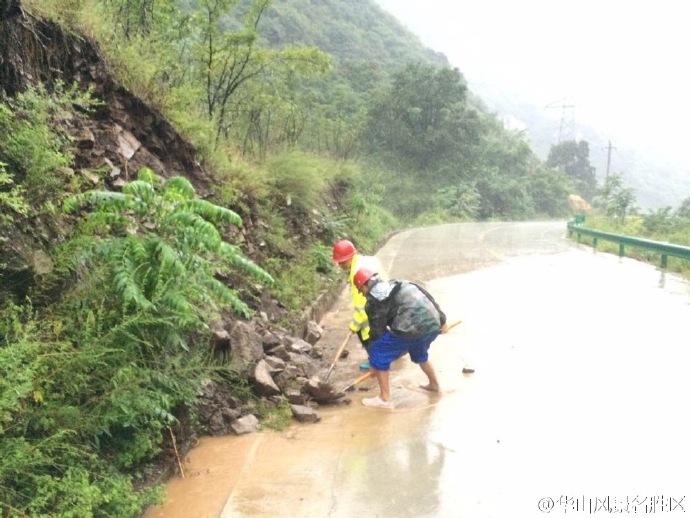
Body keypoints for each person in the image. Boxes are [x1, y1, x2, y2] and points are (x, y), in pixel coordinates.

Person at [353, 267, 448, 410]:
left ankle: (385, 400)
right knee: (419, 352)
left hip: (411, 330)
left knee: (379, 351)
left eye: (361, 290)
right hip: (432, 325)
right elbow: (428, 297)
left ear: (365, 285)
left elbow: (377, 333)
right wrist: (442, 320)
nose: (362, 294)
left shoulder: (374, 300)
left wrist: (374, 362)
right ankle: (434, 385)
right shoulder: (401, 283)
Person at [332, 239, 388, 371]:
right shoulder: (368, 260)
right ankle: (386, 354)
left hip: (376, 307)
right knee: (382, 331)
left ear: (349, 258)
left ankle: (375, 362)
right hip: (385, 298)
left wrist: (354, 326)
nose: (340, 265)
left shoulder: (358, 276)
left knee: (366, 333)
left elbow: (362, 310)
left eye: (341, 262)